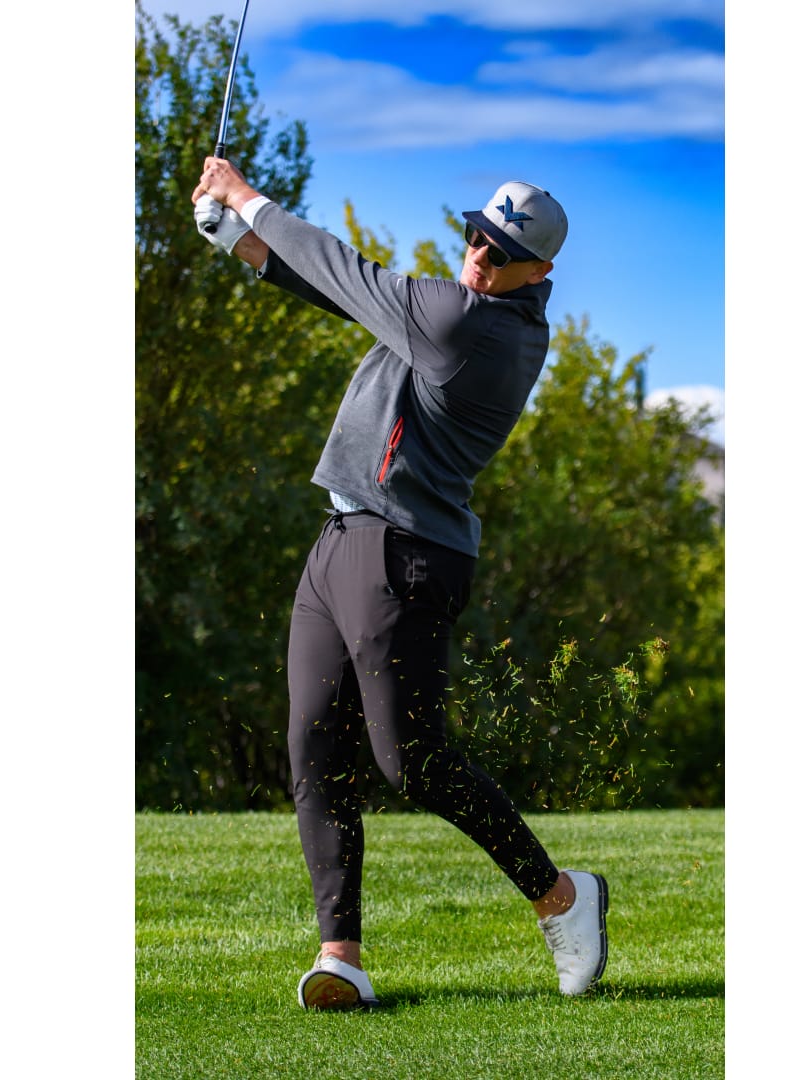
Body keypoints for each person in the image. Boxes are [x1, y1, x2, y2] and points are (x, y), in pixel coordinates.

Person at [191, 156, 608, 1011]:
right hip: (343, 538)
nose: (480, 257)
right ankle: (339, 955)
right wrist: (242, 243)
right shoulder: (455, 313)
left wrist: (245, 198)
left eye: (502, 254)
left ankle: (562, 897)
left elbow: (346, 271)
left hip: (406, 552)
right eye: (477, 238)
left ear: (541, 271)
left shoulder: (468, 324)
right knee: (314, 748)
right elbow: (341, 295)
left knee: (411, 762)